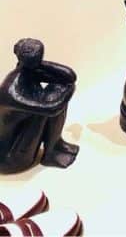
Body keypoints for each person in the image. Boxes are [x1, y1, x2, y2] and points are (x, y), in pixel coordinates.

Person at [0, 38, 79, 173]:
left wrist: (38, 64)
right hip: (10, 158)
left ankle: (56, 146)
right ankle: (51, 152)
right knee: (52, 96)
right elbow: (51, 108)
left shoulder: (28, 71)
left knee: (57, 89)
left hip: (24, 138)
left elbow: (69, 76)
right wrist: (70, 90)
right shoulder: (9, 91)